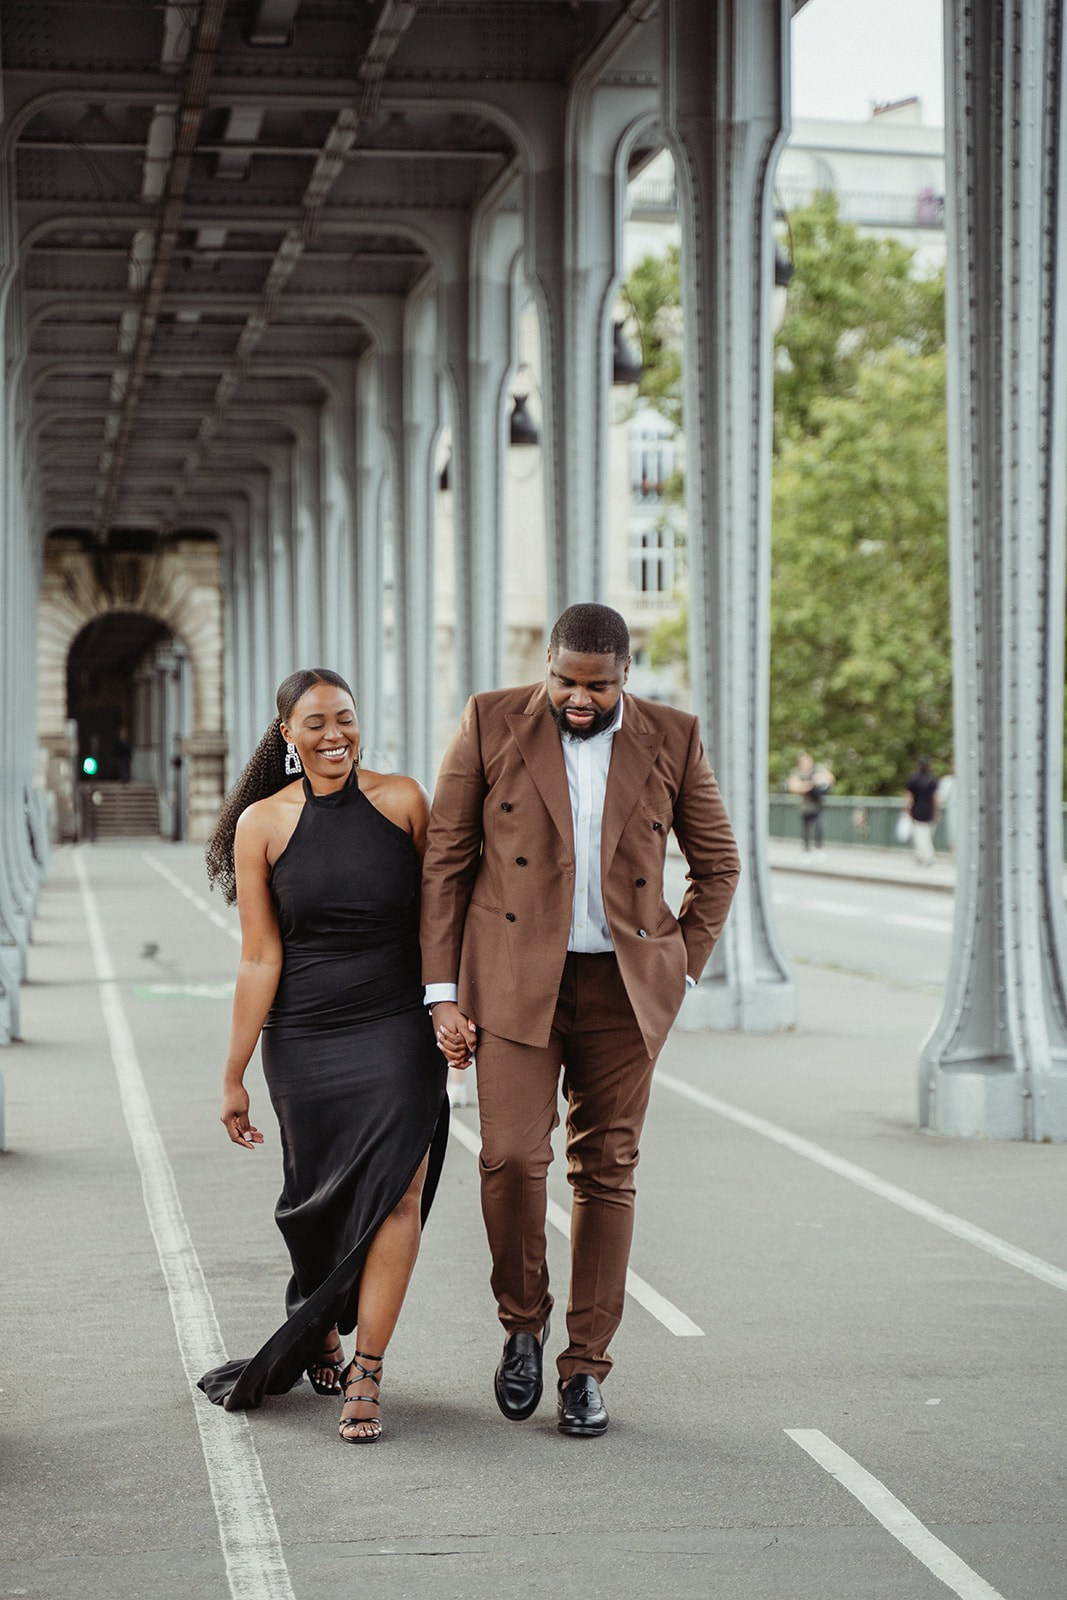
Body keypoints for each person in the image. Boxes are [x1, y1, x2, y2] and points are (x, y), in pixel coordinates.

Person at [421, 604, 740, 1437]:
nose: (577, 698)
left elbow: (718, 863)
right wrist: (440, 991)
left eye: (596, 685)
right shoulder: (493, 719)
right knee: (512, 1157)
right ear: (550, 666)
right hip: (514, 979)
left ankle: (586, 1367)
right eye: (564, 679)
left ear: (623, 675)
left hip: (620, 991)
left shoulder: (672, 735)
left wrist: (679, 966)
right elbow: (447, 859)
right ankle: (521, 1327)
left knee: (607, 1172)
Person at [198, 668, 448, 1442]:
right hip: (304, 1036)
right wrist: (233, 1072)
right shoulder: (261, 825)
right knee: (315, 1207)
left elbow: (441, 918)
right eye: (315, 724)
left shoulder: (404, 800)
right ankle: (322, 1334)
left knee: (399, 1194)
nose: (334, 735)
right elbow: (258, 957)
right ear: (286, 736)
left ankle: (367, 1371)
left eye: (344, 718)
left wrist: (448, 1004)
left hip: (396, 1027)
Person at [787, 750, 834, 852]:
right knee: (806, 830)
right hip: (805, 806)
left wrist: (821, 780)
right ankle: (806, 849)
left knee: (820, 827)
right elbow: (793, 786)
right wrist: (810, 785)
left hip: (818, 805)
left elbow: (830, 779)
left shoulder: (817, 769)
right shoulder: (797, 772)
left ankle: (818, 849)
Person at [903, 756, 940, 867]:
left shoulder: (913, 779)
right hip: (929, 810)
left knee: (920, 835)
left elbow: (909, 796)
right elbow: (935, 798)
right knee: (927, 835)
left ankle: (926, 856)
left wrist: (907, 808)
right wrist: (936, 811)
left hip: (917, 810)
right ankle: (922, 855)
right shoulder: (932, 780)